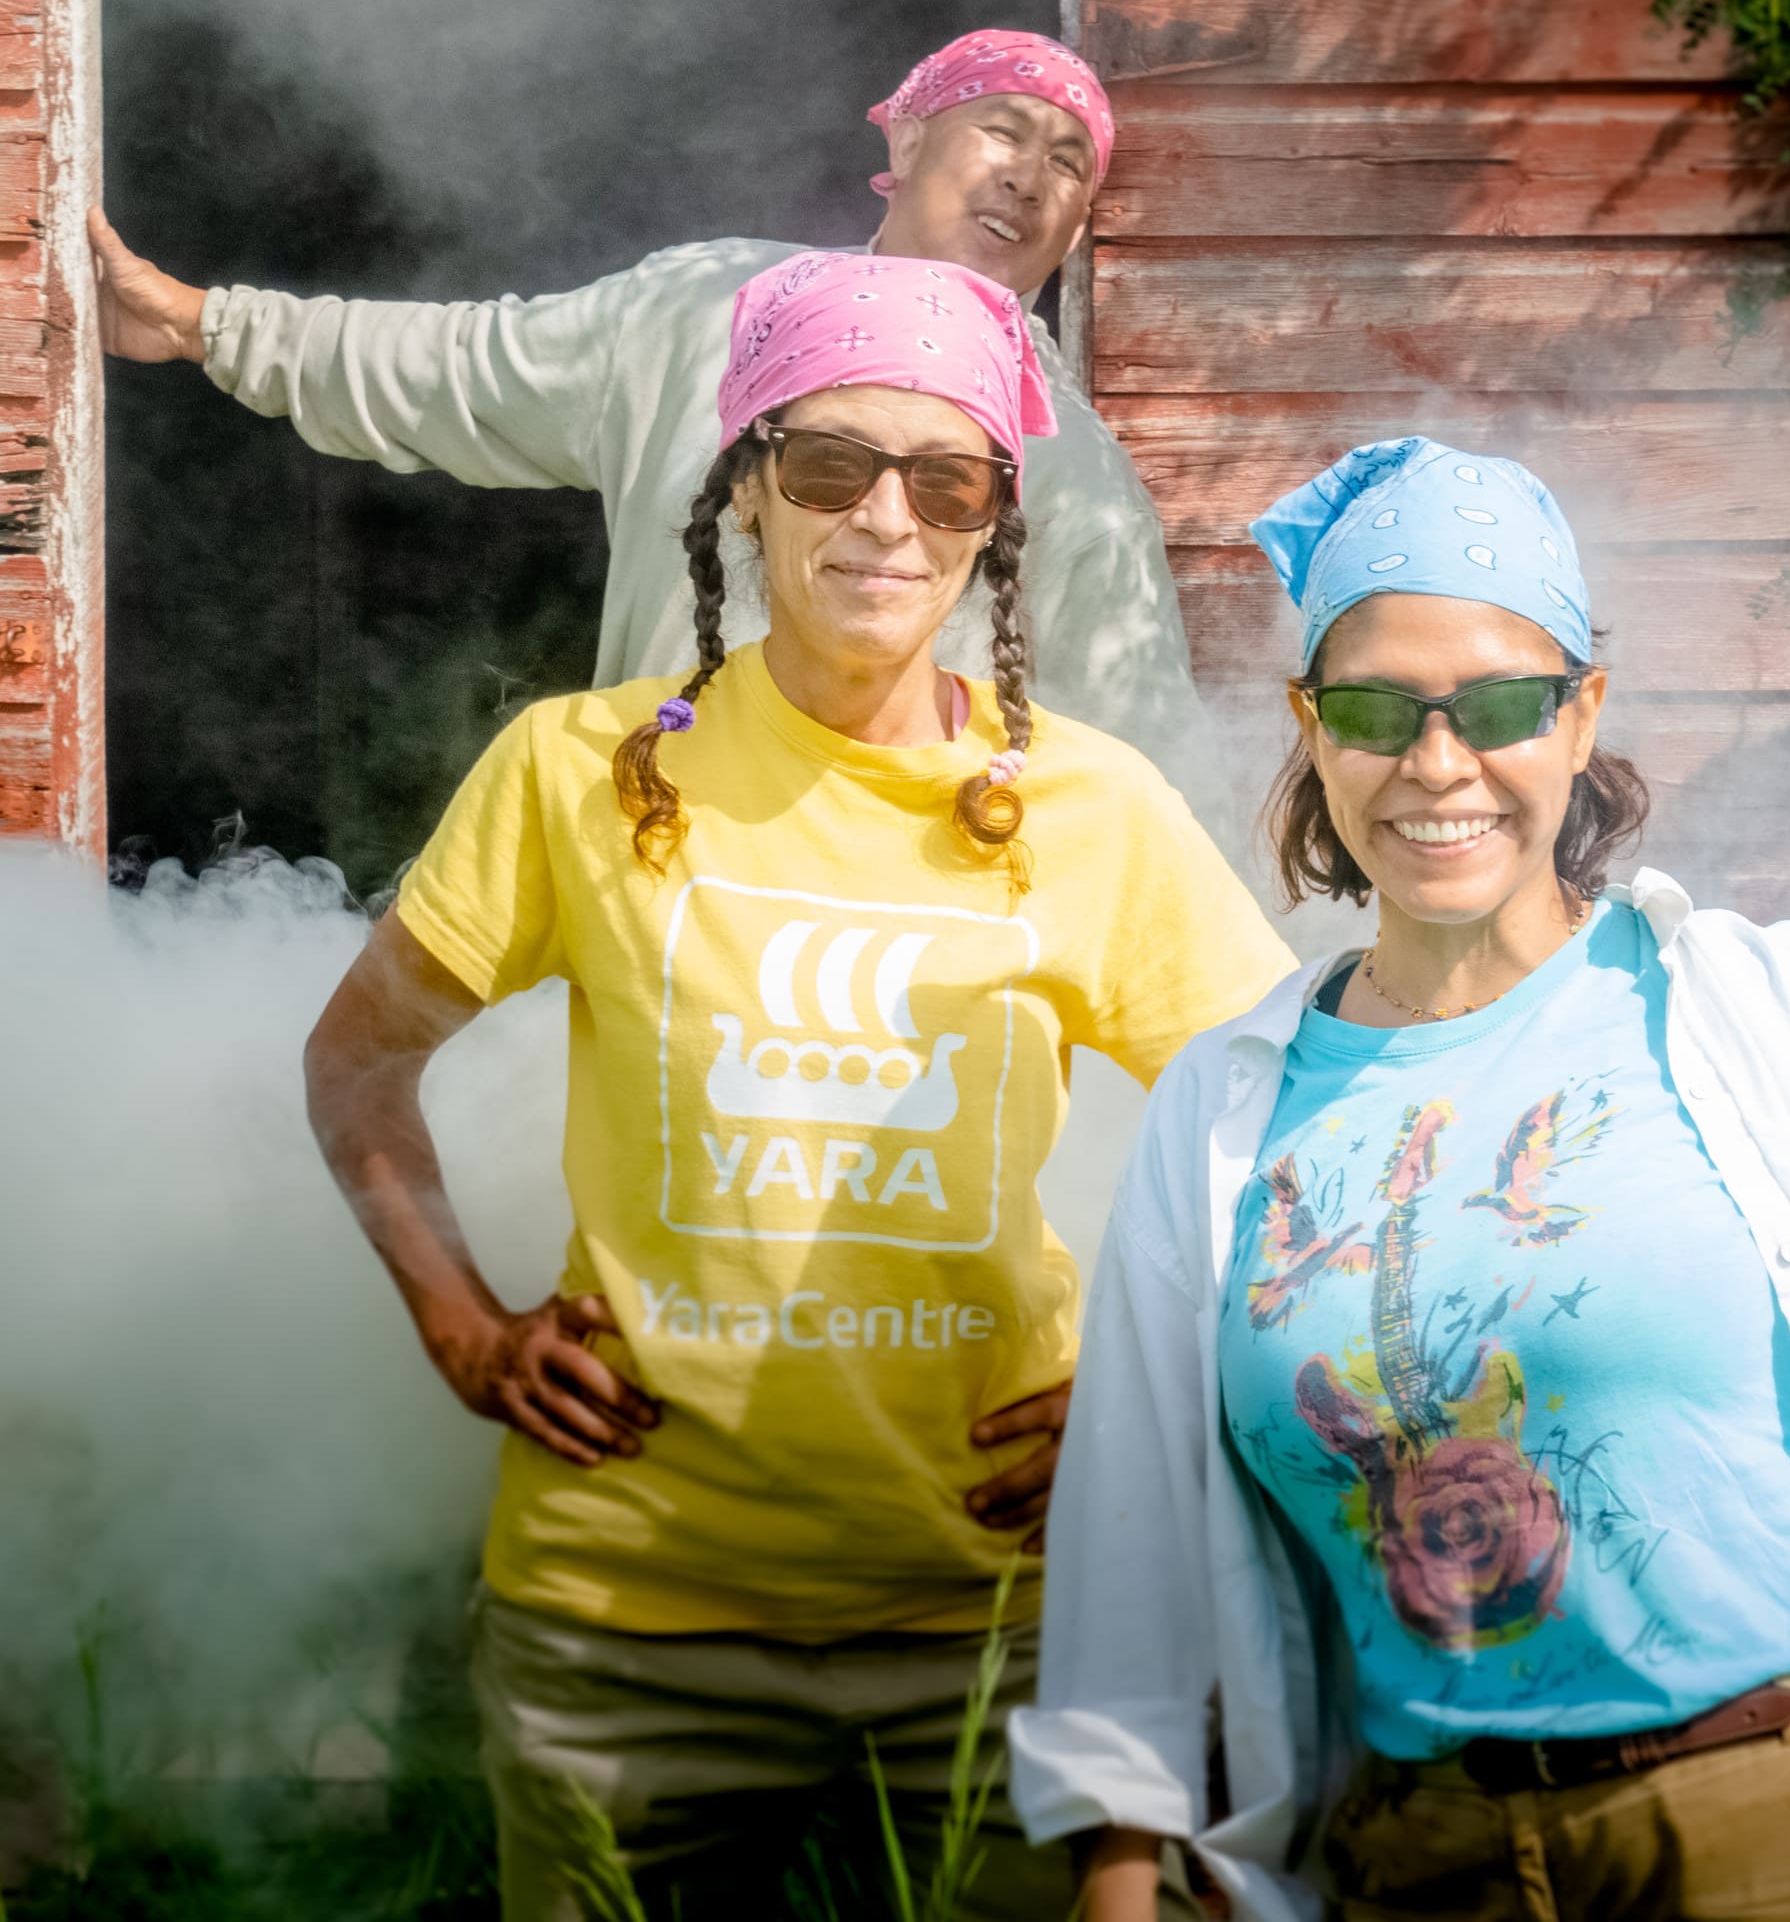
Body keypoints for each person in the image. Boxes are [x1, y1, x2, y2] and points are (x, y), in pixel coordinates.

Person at [303, 249, 1295, 1921]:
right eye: (827, 464)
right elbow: (356, 1061)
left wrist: (1169, 1396)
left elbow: (1305, 1136)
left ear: (994, 515)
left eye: (945, 476)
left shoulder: (1096, 808)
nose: (884, 519)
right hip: (621, 1627)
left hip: (1009, 1616)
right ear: (747, 489)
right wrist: (464, 1326)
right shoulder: (578, 769)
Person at [1009, 437, 1790, 1921]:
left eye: (1499, 704)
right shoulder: (1223, 1111)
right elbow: (1134, 1541)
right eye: (1376, 708)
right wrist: (1117, 1876)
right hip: (1418, 1858)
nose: (1439, 763)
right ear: (1311, 726)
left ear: (1581, 716)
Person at [88, 29, 1219, 813]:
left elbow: (1139, 745)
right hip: (660, 845)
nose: (1030, 176)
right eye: (1003, 132)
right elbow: (468, 366)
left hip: (924, 933)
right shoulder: (705, 312)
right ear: (905, 143)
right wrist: (203, 325)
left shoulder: (1075, 466)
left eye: (1069, 161)